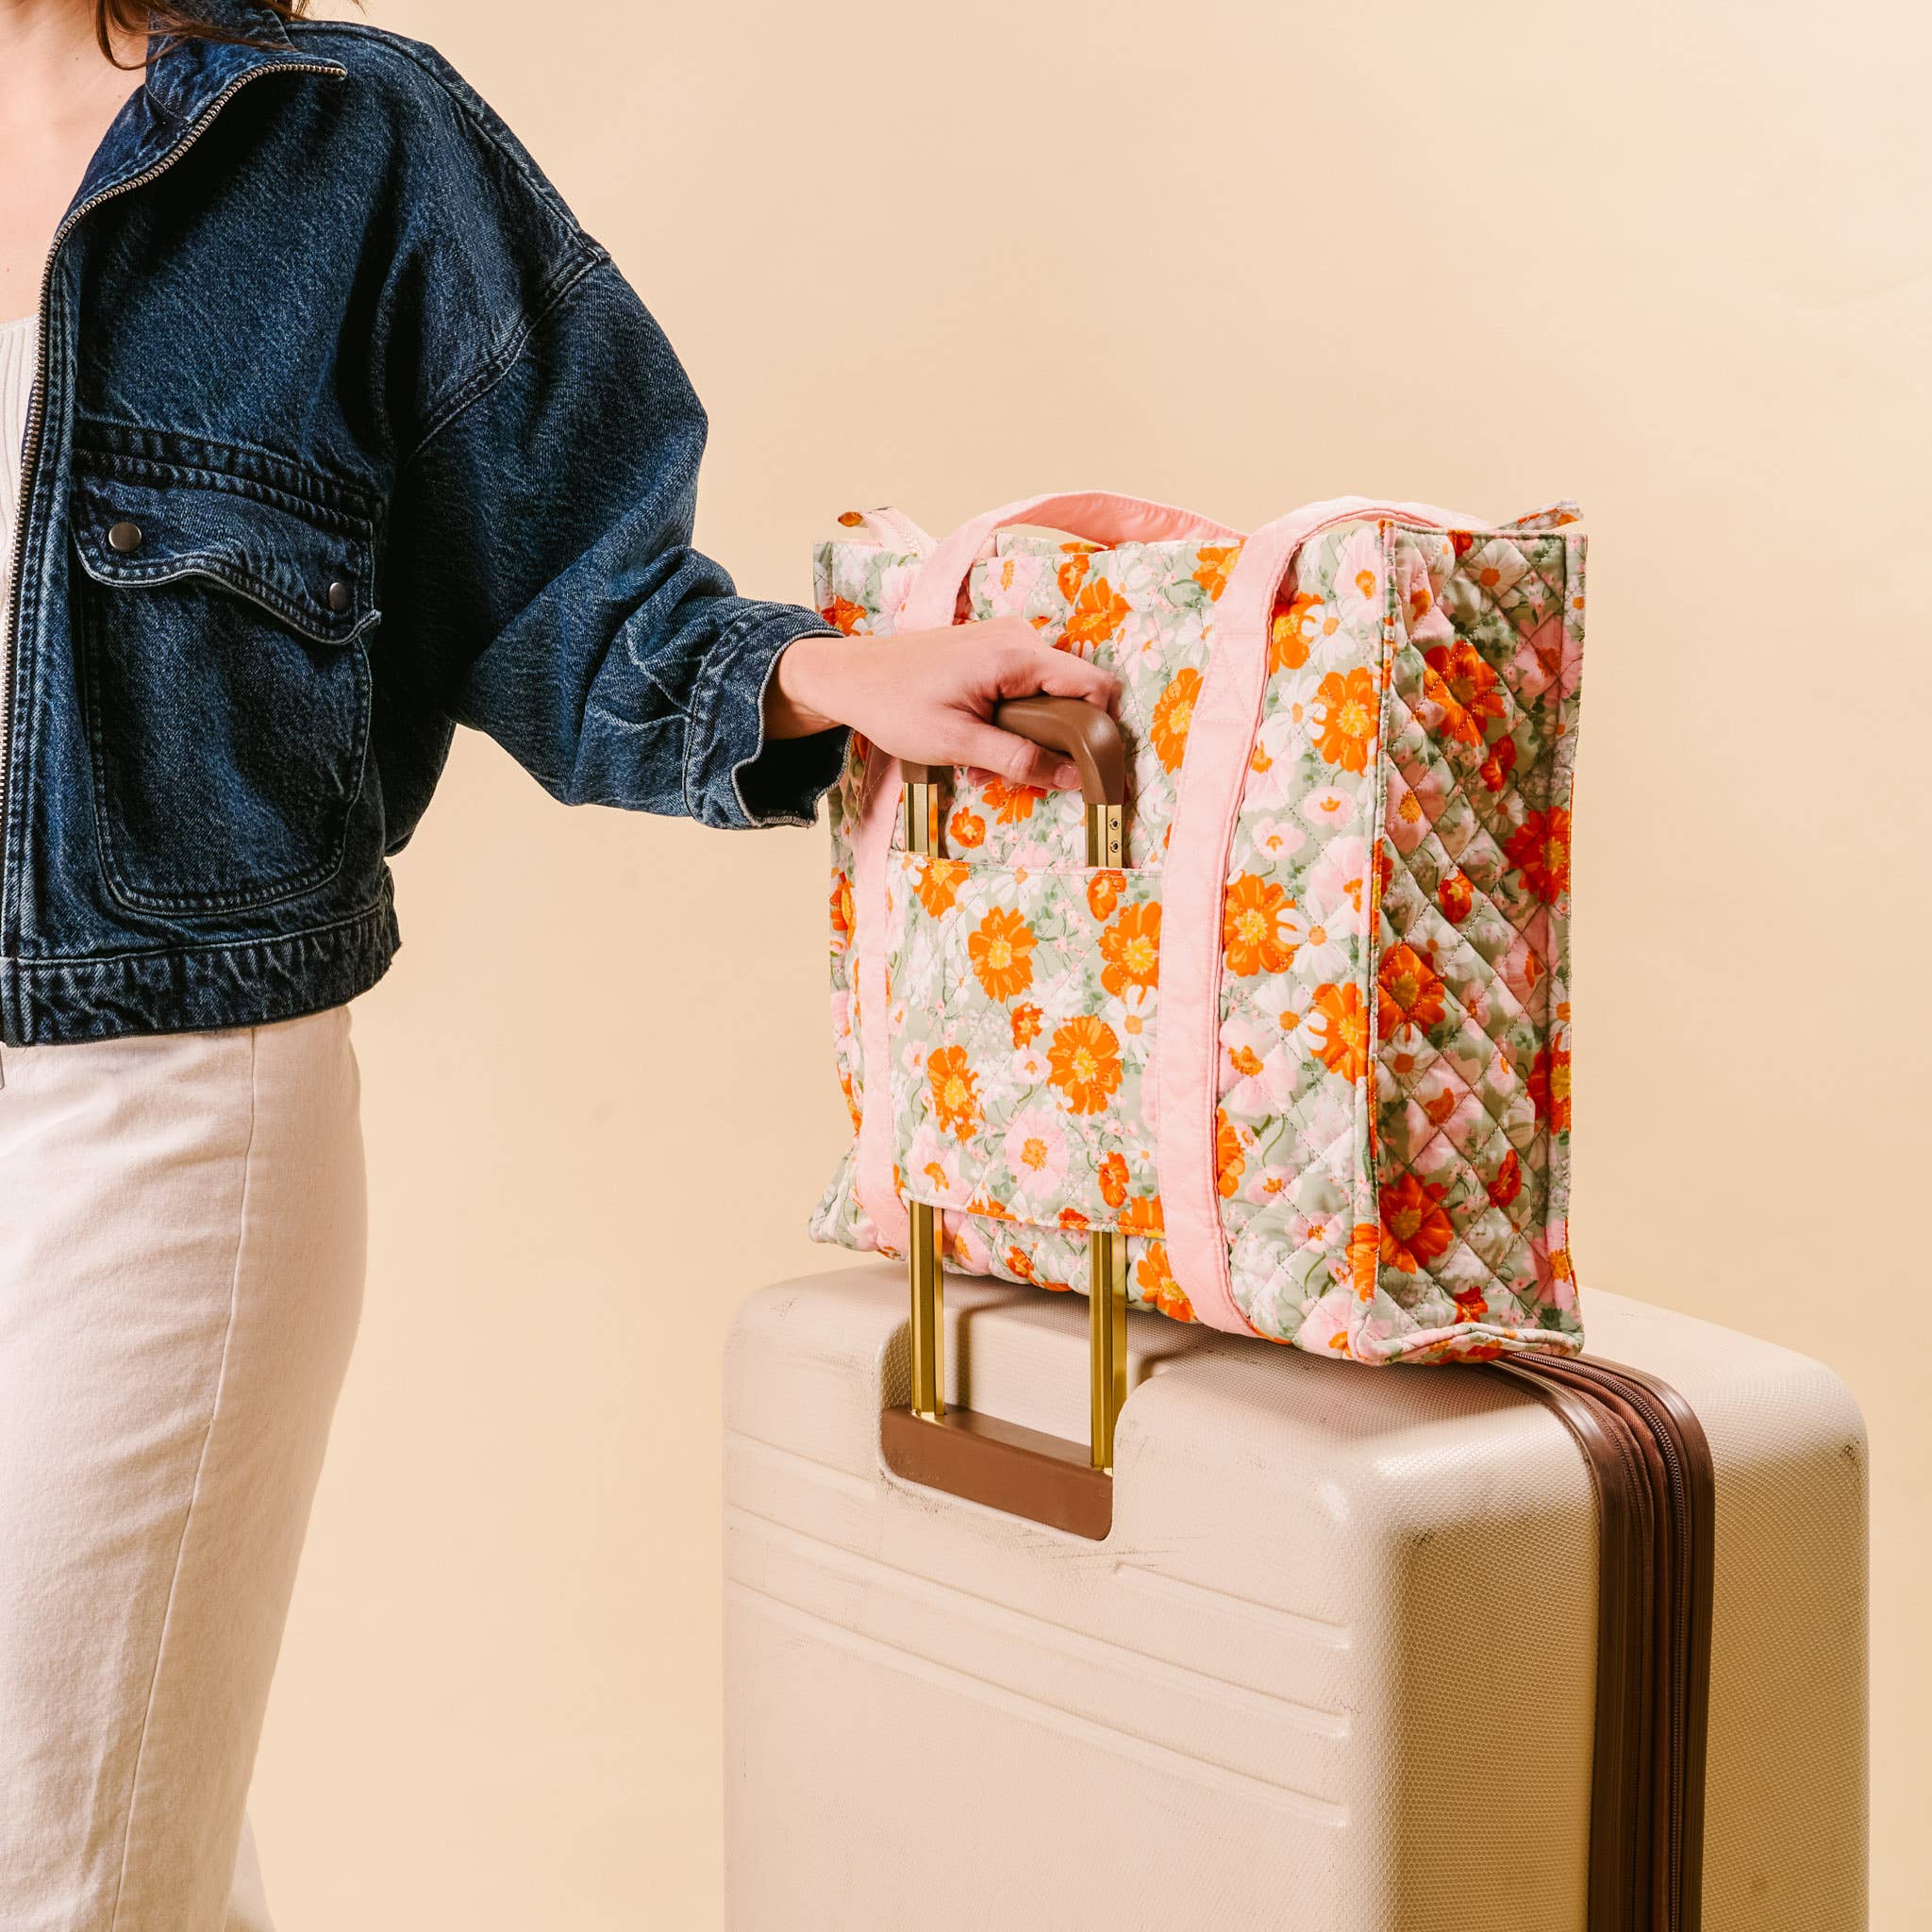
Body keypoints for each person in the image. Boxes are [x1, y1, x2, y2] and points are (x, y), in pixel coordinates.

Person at [0, 0, 1117, 1921]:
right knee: (130, 1815)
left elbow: (563, 582)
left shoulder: (345, 140)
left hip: (155, 1102)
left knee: (60, 1848)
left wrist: (796, 675)